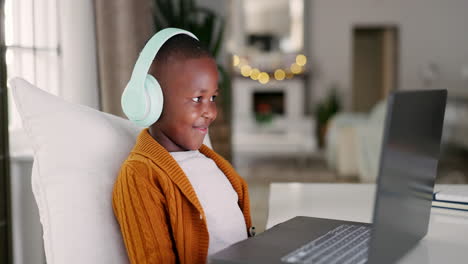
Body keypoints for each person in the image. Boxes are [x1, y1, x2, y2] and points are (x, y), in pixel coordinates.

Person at [112, 28, 254, 264]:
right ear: (150, 101)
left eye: (213, 98)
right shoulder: (140, 175)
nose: (210, 112)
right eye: (197, 99)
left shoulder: (210, 162)